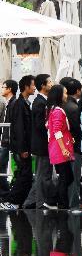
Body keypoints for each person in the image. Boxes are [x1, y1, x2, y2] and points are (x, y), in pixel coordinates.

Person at [0, 76, 36, 209]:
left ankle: (16, 201)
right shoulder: (20, 104)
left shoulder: (23, 103)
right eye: (32, 85)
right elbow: (19, 128)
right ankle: (12, 200)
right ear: (26, 87)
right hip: (21, 147)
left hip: (23, 147)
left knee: (23, 174)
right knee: (23, 174)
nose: (34, 88)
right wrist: (22, 149)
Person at [26, 73, 56, 209]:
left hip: (45, 144)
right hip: (42, 145)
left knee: (43, 174)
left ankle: (31, 202)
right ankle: (39, 203)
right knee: (42, 174)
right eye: (49, 82)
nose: (52, 84)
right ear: (43, 86)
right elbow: (39, 125)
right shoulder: (39, 102)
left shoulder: (43, 101)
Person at [46, 85, 75, 210]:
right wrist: (63, 147)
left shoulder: (53, 109)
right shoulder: (57, 111)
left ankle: (55, 200)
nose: (66, 96)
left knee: (67, 177)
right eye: (64, 93)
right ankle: (61, 204)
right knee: (65, 177)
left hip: (58, 147)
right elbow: (57, 131)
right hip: (60, 149)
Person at [62, 78, 82, 209]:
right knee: (74, 177)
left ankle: (65, 203)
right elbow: (77, 129)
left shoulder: (62, 106)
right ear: (77, 90)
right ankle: (73, 204)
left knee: (66, 176)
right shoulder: (74, 108)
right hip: (74, 147)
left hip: (63, 146)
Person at [0, 80, 17, 194]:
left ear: (9, 89)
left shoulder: (13, 103)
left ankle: (6, 191)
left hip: (8, 140)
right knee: (2, 166)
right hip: (5, 139)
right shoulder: (7, 103)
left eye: (3, 87)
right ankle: (5, 190)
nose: (2, 89)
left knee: (3, 165)